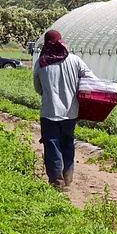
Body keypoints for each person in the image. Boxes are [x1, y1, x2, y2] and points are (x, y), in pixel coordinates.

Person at [33, 29, 97, 191]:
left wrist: (49, 95)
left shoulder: (41, 63)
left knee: (52, 145)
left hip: (49, 112)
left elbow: (38, 88)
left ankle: (56, 180)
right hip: (70, 112)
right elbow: (91, 79)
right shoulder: (74, 60)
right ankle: (68, 175)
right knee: (67, 143)